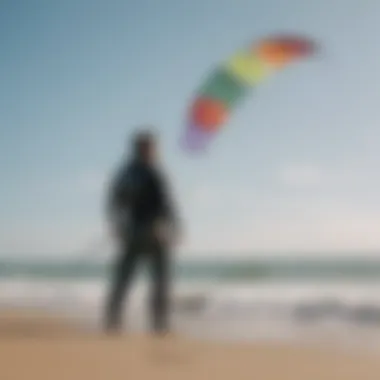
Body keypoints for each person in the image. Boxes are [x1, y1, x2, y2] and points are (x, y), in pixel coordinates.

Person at [104, 129, 179, 335]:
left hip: (156, 234)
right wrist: (117, 226)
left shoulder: (155, 171)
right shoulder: (129, 173)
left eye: (153, 147)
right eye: (148, 146)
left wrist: (175, 226)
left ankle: (159, 323)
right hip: (135, 233)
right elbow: (115, 202)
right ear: (139, 149)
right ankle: (113, 320)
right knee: (125, 278)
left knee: (160, 280)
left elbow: (167, 203)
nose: (152, 150)